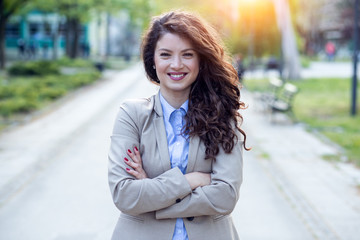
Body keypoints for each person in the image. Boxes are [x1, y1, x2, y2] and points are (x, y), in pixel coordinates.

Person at [108, 11, 249, 240]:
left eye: (187, 55)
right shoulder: (131, 115)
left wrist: (152, 194)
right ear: (152, 60)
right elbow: (124, 195)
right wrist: (191, 180)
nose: (176, 64)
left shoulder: (223, 115)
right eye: (165, 54)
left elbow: (225, 196)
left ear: (201, 60)